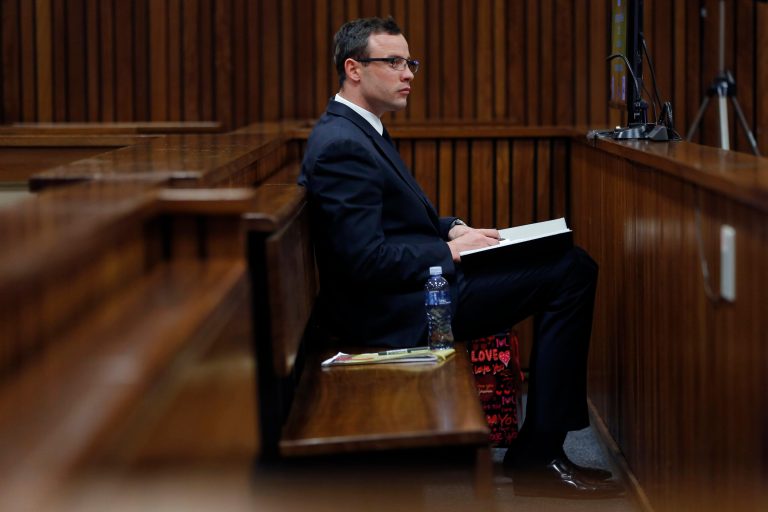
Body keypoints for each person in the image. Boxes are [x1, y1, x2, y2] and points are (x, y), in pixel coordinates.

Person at [298, 16, 622, 499]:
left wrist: (451, 226)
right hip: (391, 314)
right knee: (570, 272)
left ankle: (541, 447)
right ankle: (538, 455)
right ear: (354, 69)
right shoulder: (342, 143)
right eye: (393, 62)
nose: (408, 72)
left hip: (416, 287)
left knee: (568, 263)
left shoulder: (362, 130)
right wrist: (448, 250)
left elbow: (396, 222)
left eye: (410, 62)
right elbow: (363, 262)